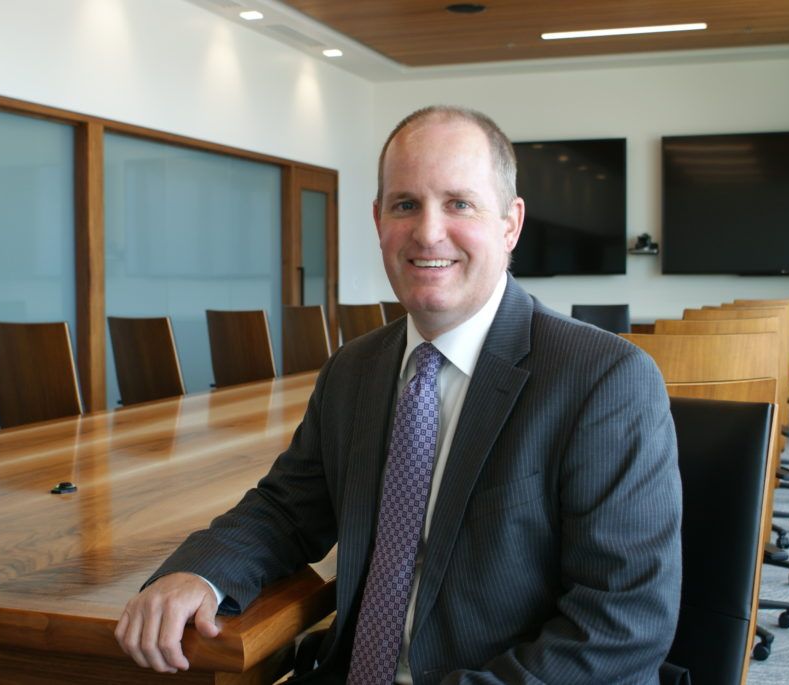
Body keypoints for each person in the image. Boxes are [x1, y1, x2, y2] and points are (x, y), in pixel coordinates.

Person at [116, 105, 682, 684]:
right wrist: (199, 573)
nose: (428, 231)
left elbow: (622, 622)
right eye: (405, 204)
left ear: (510, 224)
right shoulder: (353, 370)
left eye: (459, 203)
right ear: (378, 219)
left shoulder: (604, 379)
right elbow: (286, 509)